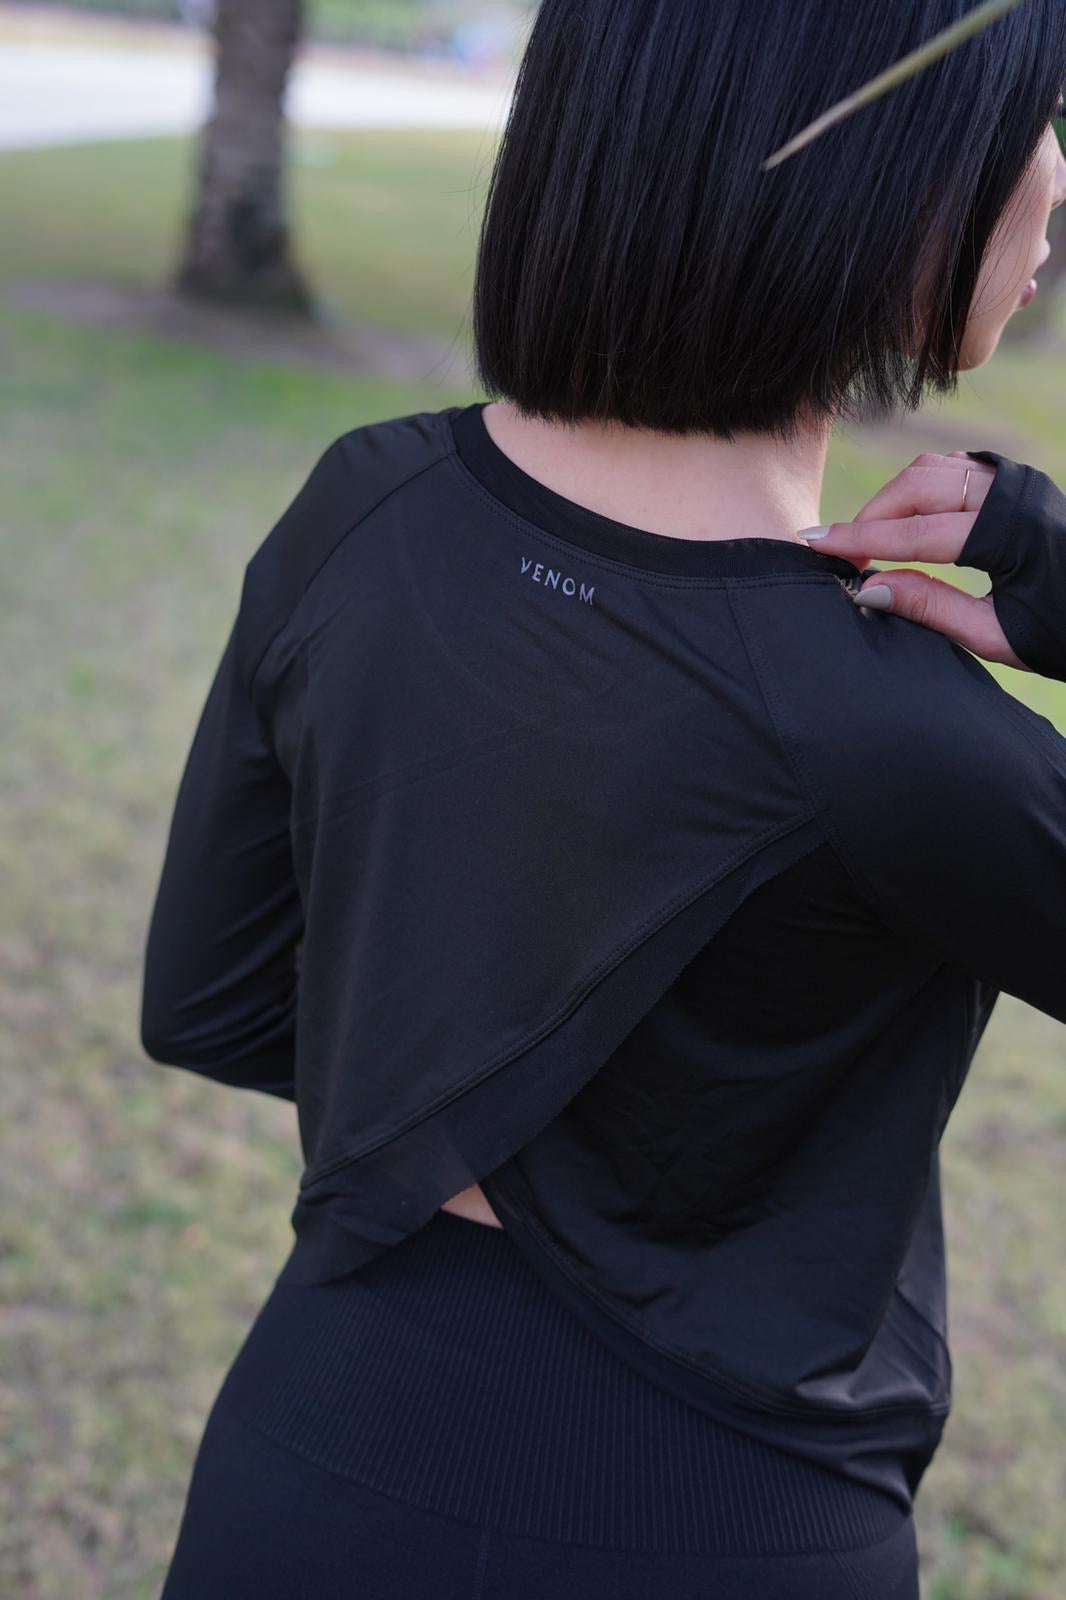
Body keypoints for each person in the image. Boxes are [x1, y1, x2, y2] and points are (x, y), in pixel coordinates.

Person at [141, 3, 1066, 1595]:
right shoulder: (887, 728)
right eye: (1034, 111)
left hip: (311, 1463)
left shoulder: (363, 508)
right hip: (723, 1521)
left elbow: (212, 1005)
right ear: (887, 183)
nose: (1052, 168)